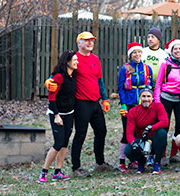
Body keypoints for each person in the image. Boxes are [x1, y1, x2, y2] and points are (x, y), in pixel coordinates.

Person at [67, 32, 110, 176]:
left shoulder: (95, 59)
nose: (90, 43)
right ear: (79, 43)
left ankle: (100, 163)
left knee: (101, 131)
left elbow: (100, 81)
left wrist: (104, 99)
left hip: (95, 102)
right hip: (81, 103)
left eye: (92, 40)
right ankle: (76, 168)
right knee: (81, 134)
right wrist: (51, 81)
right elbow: (61, 73)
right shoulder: (74, 58)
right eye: (86, 41)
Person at [115, 44, 155, 172]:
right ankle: (122, 162)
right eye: (134, 53)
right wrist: (123, 104)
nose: (137, 55)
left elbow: (150, 87)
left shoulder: (147, 68)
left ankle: (136, 159)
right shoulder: (125, 69)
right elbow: (121, 87)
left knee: (141, 131)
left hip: (143, 104)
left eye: (139, 52)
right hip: (130, 104)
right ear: (130, 55)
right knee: (127, 132)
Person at [40, 51, 79, 182]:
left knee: (65, 143)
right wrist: (56, 115)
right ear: (67, 62)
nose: (77, 62)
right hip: (57, 114)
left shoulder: (73, 75)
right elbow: (51, 98)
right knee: (58, 143)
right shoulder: (58, 77)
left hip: (69, 113)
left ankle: (58, 171)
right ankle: (44, 172)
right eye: (74, 60)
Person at [155, 39, 180, 152]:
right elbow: (158, 83)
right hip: (166, 98)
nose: (178, 51)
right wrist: (157, 101)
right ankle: (161, 154)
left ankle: (174, 154)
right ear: (171, 51)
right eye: (175, 49)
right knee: (164, 126)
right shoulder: (165, 63)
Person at [123, 88, 168, 173]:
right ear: (140, 98)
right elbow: (129, 133)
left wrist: (151, 128)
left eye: (148, 96)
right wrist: (133, 143)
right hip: (141, 140)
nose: (146, 99)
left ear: (152, 98)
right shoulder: (133, 111)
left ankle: (157, 162)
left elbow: (165, 122)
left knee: (162, 133)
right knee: (128, 150)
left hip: (154, 139)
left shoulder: (158, 106)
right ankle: (141, 162)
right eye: (143, 96)